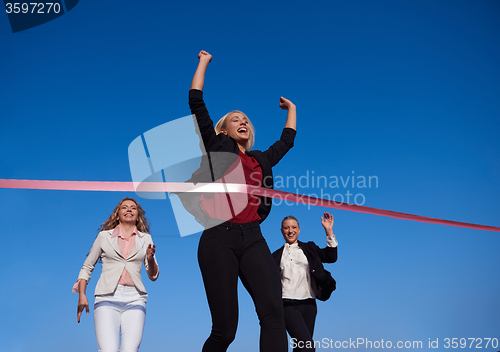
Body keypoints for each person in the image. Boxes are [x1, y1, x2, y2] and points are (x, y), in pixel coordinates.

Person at [186, 50, 297, 352]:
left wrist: (292, 108)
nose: (243, 121)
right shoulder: (218, 146)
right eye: (236, 119)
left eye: (246, 119)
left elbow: (286, 140)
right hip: (218, 237)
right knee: (225, 331)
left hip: (253, 238)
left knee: (274, 314)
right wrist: (203, 63)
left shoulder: (261, 159)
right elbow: (196, 102)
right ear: (223, 130)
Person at [73, 197, 159, 352]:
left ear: (137, 216)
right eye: (124, 207)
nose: (129, 210)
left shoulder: (146, 239)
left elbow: (153, 275)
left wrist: (150, 258)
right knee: (108, 350)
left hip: (135, 298)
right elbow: (87, 267)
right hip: (107, 298)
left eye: (133, 208)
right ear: (118, 215)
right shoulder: (104, 237)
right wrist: (82, 295)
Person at [272, 213, 338, 352]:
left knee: (301, 348)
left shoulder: (309, 248)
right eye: (286, 228)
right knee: (308, 346)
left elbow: (331, 257)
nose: (290, 231)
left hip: (309, 304)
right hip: (287, 304)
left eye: (294, 227)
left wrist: (328, 231)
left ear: (299, 229)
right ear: (281, 231)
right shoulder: (276, 256)